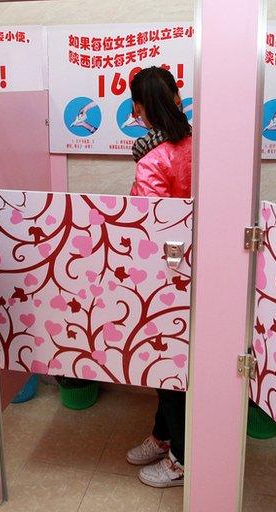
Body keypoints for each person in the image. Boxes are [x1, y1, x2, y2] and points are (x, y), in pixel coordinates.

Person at [124, 67, 192, 488]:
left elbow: (155, 224)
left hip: (166, 273)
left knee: (167, 364)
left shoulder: (152, 157)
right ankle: (163, 436)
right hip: (201, 265)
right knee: (170, 361)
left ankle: (182, 458)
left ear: (140, 108)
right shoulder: (196, 142)